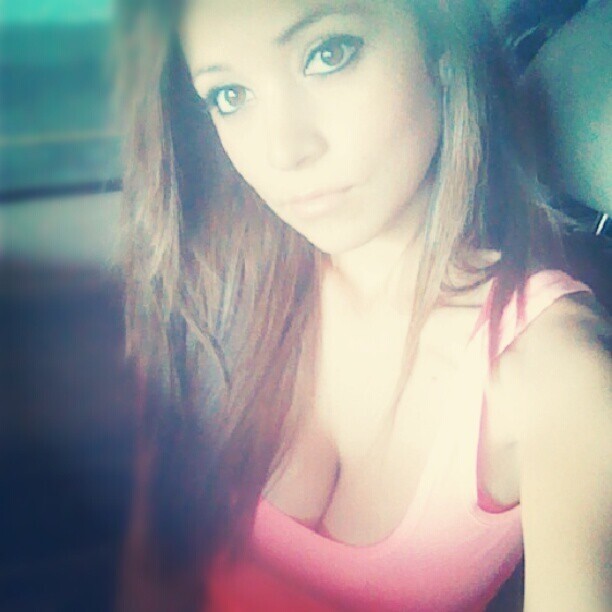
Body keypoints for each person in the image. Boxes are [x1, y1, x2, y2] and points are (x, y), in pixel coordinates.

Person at [115, 1, 611, 610]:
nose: (284, 151)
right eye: (230, 95)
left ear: (440, 41)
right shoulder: (219, 283)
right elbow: (153, 558)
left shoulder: (557, 375)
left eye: (329, 54)